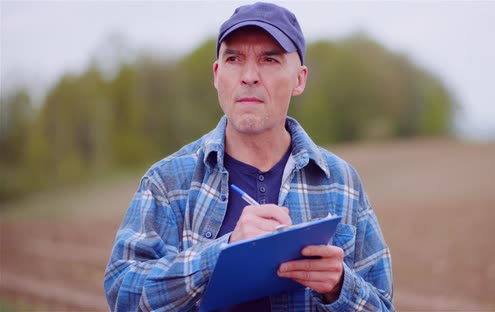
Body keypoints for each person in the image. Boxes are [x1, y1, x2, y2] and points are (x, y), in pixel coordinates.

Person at [104, 2, 394, 311]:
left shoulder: (342, 182)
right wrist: (220, 254)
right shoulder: (168, 182)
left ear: (299, 79)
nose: (249, 76)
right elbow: (123, 294)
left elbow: (383, 304)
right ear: (217, 75)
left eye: (269, 59)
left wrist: (339, 287)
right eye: (234, 59)